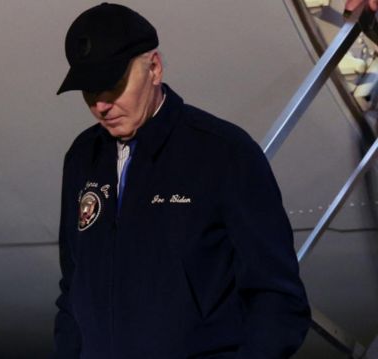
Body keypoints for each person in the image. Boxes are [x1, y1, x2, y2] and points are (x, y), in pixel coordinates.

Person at [53, 3, 311, 359]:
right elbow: (72, 292)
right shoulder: (82, 158)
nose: (101, 106)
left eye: (112, 86)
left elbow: (278, 300)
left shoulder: (225, 154)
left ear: (154, 68)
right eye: (89, 91)